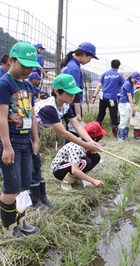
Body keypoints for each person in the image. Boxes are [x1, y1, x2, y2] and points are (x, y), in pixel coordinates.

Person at [31, 73, 103, 207]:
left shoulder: (65, 105)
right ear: (57, 91)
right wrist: (86, 144)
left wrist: (90, 142)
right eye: (69, 93)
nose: (72, 97)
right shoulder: (49, 107)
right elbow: (63, 132)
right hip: (26, 133)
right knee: (32, 166)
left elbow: (76, 125)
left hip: (35, 133)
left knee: (35, 166)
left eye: (74, 93)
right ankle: (34, 199)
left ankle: (41, 198)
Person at [0, 42, 41, 237]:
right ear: (11, 61)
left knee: (24, 185)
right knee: (11, 187)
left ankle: (21, 221)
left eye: (30, 67)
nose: (27, 70)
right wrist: (6, 147)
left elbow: (31, 113)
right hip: (10, 141)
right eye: (23, 66)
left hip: (25, 142)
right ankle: (8, 227)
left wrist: (35, 140)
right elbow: (1, 118)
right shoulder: (4, 84)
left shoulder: (28, 86)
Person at [51, 122, 107, 190]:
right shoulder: (77, 147)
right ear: (95, 139)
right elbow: (74, 170)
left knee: (96, 157)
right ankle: (65, 183)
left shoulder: (84, 143)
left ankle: (83, 178)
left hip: (70, 165)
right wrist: (94, 181)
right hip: (59, 170)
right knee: (85, 162)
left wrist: (91, 150)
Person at [61, 42, 99, 128]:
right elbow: (74, 91)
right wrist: (78, 112)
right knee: (74, 131)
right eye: (90, 58)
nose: (89, 61)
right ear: (84, 54)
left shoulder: (68, 64)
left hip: (66, 104)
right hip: (71, 105)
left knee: (70, 129)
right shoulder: (74, 68)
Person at [91, 59, 125, 138]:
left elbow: (99, 85)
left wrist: (94, 96)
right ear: (118, 66)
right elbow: (123, 87)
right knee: (113, 116)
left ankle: (97, 132)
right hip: (113, 98)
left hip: (103, 97)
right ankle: (115, 134)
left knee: (101, 114)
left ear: (111, 65)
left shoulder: (105, 74)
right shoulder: (119, 76)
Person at [117, 71, 140, 141]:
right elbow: (129, 95)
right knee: (123, 120)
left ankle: (125, 136)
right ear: (132, 78)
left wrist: (132, 104)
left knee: (127, 121)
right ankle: (120, 137)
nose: (136, 81)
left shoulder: (131, 84)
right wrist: (133, 107)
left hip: (127, 104)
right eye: (135, 80)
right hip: (124, 104)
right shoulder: (128, 84)